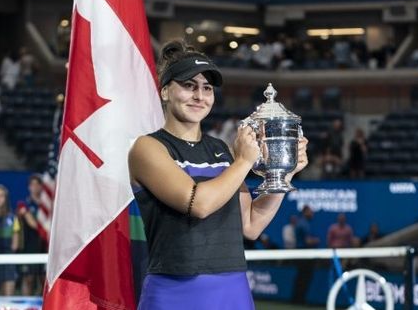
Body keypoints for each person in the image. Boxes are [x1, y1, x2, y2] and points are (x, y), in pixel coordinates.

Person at [128, 39, 308, 309]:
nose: (200, 96)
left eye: (207, 88)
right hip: (174, 290)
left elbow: (251, 224)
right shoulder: (147, 147)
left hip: (232, 288)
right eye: (189, 86)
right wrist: (244, 162)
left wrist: (284, 174)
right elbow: (198, 204)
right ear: (165, 92)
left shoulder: (221, 150)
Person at [16, 174, 46, 295]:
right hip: (29, 246)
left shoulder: (48, 206)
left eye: (37, 184)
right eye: (32, 184)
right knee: (28, 278)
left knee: (43, 279)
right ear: (29, 187)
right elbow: (33, 224)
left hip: (45, 245)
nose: (35, 187)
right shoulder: (24, 205)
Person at [0, 184, 20, 296]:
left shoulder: (13, 218)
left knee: (8, 298)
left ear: (6, 198)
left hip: (8, 262)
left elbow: (15, 245)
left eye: (1, 196)